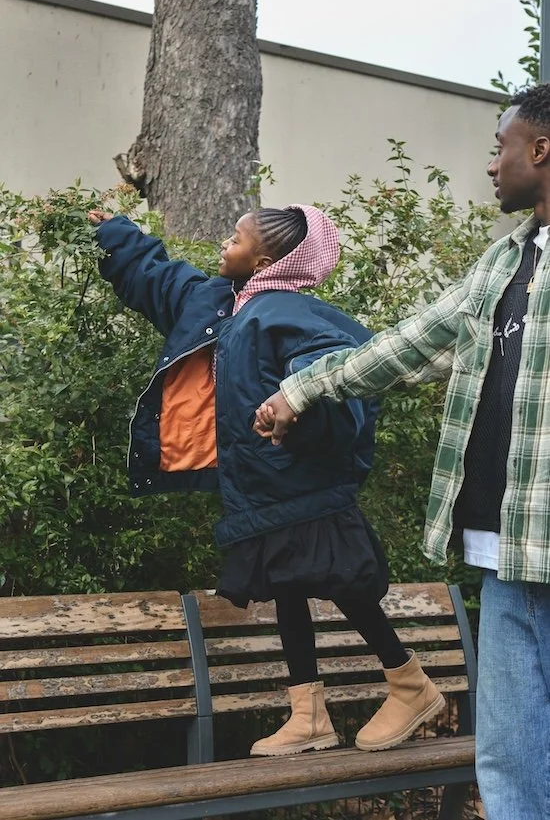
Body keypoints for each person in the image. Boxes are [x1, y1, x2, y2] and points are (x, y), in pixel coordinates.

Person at [254, 83, 550, 819]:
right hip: (506, 551)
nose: (492, 164)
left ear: (541, 151)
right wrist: (303, 389)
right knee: (509, 759)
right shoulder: (503, 264)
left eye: (501, 146)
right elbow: (406, 345)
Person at [88, 203, 443, 757]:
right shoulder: (223, 306)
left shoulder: (288, 315)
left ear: (266, 259)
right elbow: (161, 280)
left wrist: (294, 409)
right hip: (258, 491)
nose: (223, 246)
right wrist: (117, 233)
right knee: (287, 591)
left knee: (347, 586)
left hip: (304, 487)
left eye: (235, 238)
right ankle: (309, 715)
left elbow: (337, 376)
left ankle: (410, 684)